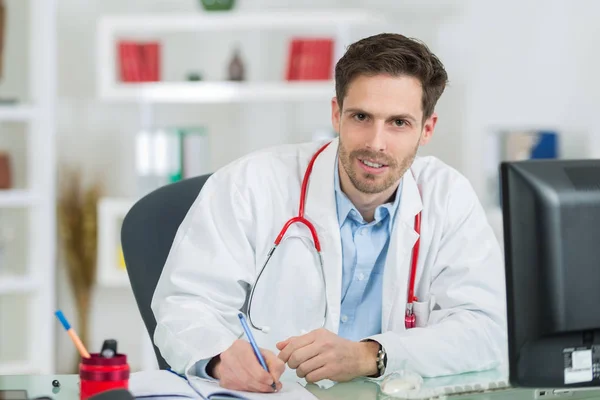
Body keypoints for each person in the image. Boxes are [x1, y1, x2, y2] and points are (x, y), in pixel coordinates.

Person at [150, 32, 507, 393]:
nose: (376, 143)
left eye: (399, 122)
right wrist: (218, 358)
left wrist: (370, 355)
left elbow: (486, 330)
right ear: (336, 114)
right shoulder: (249, 185)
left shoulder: (447, 197)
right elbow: (184, 305)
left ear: (426, 129)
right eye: (361, 117)